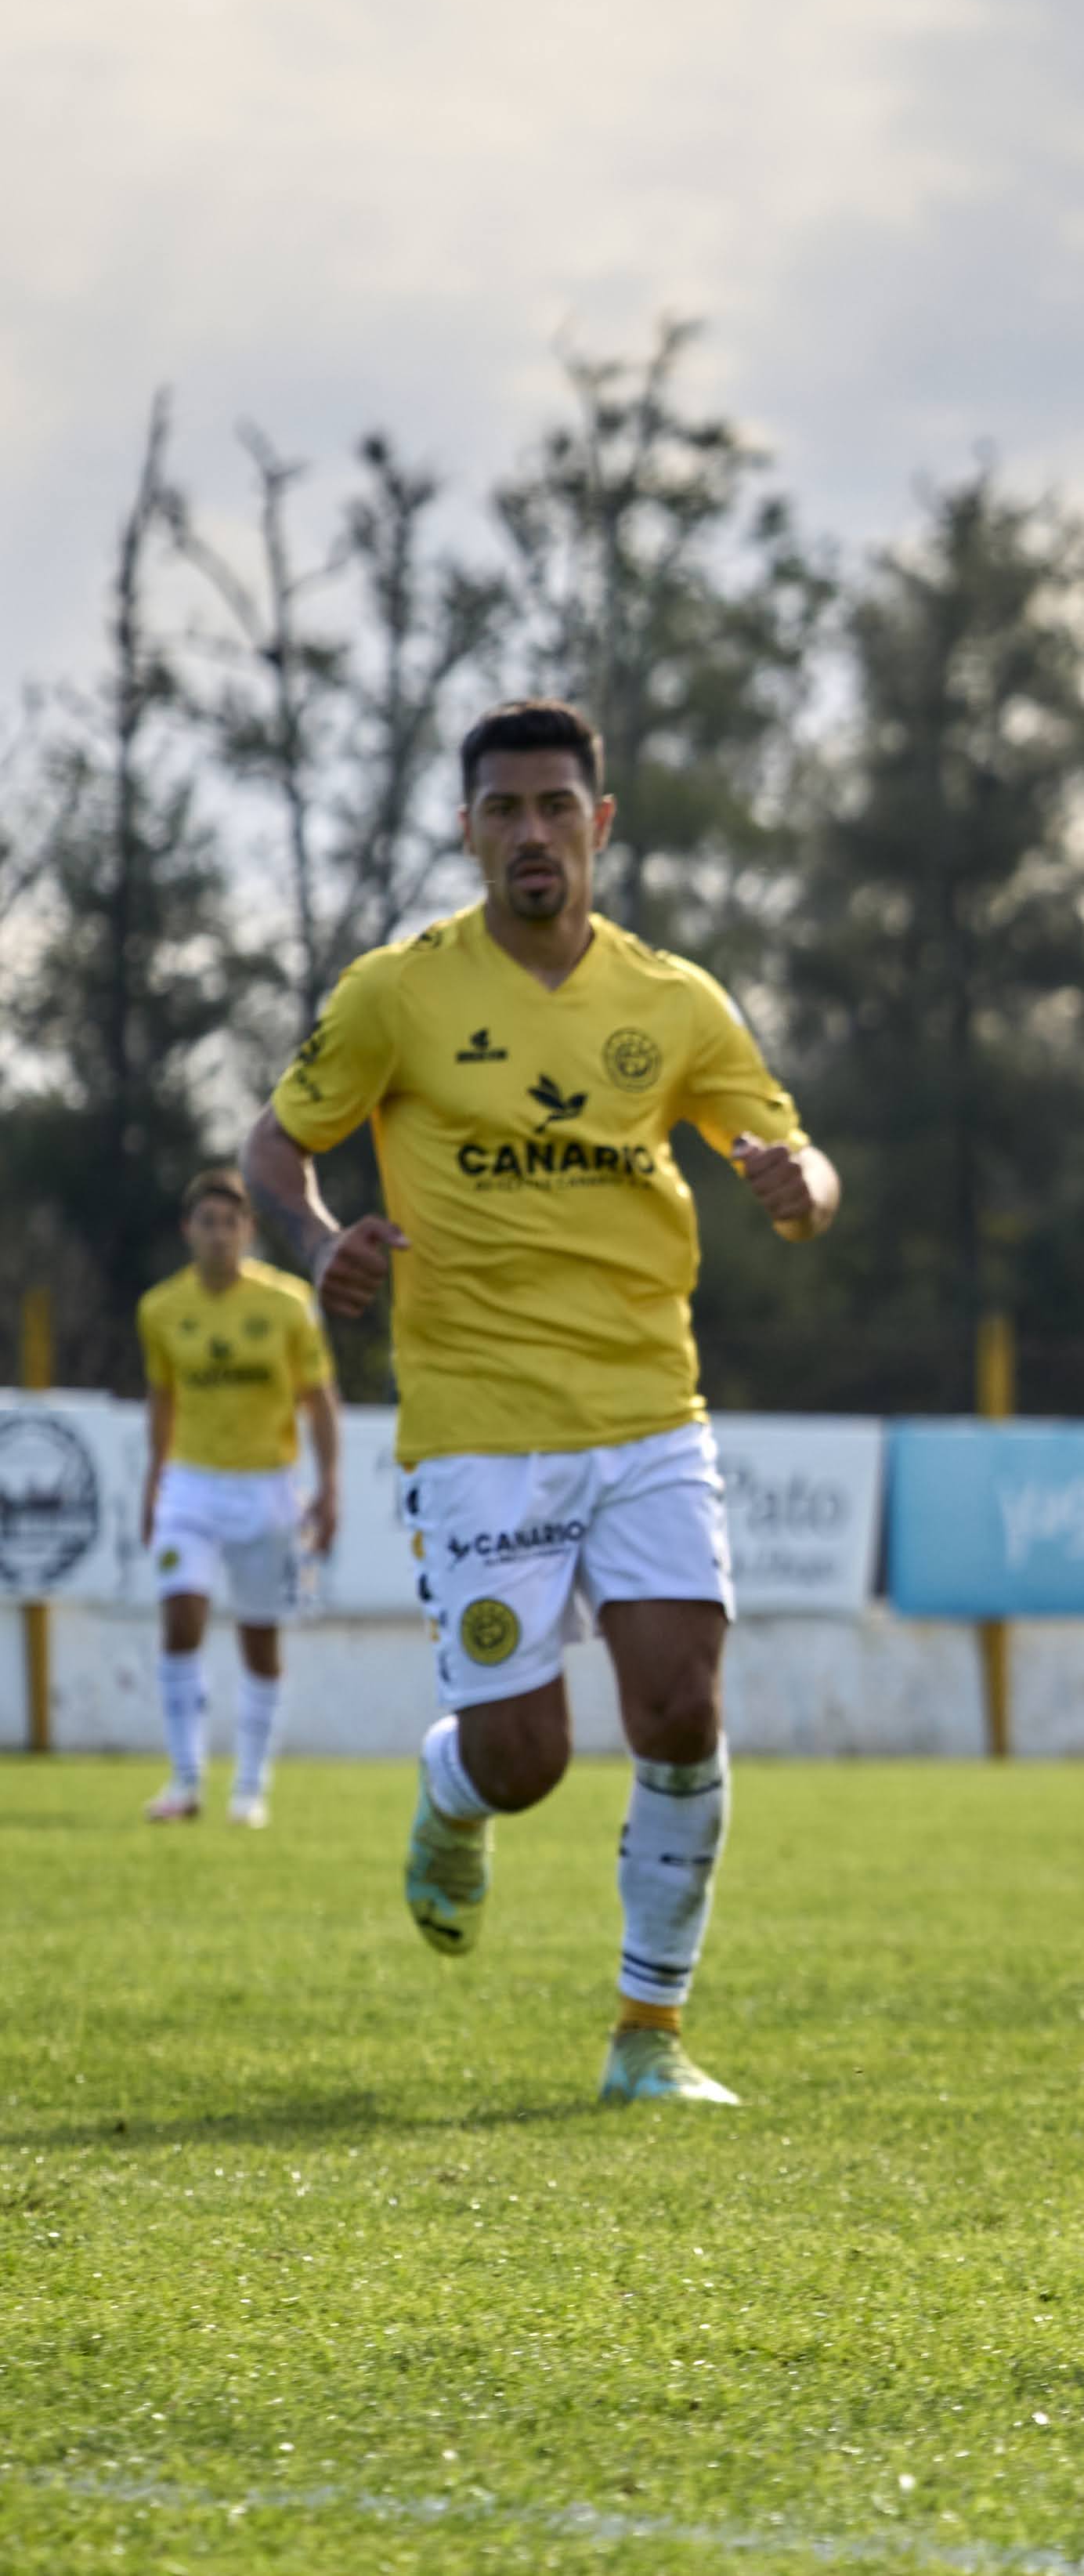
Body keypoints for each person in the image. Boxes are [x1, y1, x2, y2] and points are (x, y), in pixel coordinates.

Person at [244, 697, 840, 2104]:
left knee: (681, 1707)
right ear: (468, 832)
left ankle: (649, 2038)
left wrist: (793, 1191)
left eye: (555, 808)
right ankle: (455, 1789)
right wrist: (325, 1241)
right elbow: (278, 1146)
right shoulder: (398, 994)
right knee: (528, 1761)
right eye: (502, 810)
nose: (531, 834)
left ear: (600, 825)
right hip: (481, 1428)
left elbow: (801, 1165)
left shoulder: (674, 1003)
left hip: (648, 1406)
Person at [134, 1166, 341, 1828]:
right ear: (187, 1230)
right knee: (180, 1617)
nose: (219, 1235)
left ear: (249, 1230)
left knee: (259, 1637)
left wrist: (331, 1484)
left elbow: (319, 1401)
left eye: (231, 1222)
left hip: (268, 1486)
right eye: (207, 1222)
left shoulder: (287, 1304)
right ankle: (185, 1780)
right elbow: (163, 1398)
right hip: (190, 1485)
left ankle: (250, 1788)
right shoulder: (160, 1309)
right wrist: (153, 1478)